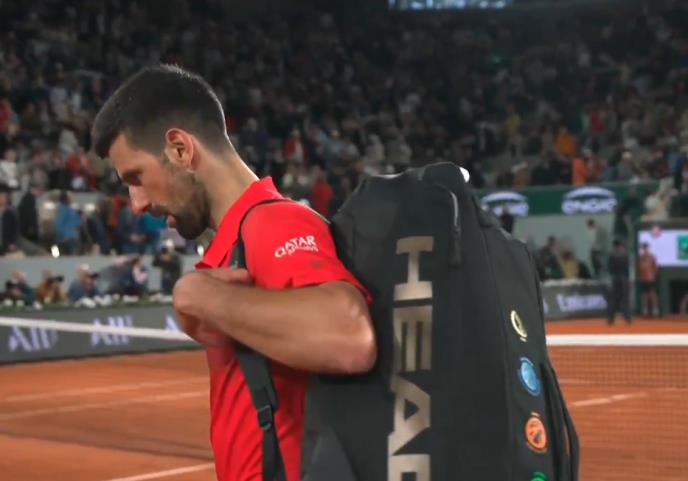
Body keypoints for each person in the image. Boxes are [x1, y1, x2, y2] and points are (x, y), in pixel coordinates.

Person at [91, 64, 375, 481]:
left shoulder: (273, 222)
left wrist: (201, 296)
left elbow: (350, 338)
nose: (136, 203)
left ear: (180, 149)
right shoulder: (236, 241)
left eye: (137, 177)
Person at [607, 239, 631, 325]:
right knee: (624, 298)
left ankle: (611, 318)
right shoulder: (625, 254)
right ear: (620, 245)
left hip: (615, 278)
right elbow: (627, 268)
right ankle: (627, 317)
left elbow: (609, 268)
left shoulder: (611, 255)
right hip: (623, 278)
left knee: (613, 298)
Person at [54, 190, 81, 255]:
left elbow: (76, 223)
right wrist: (64, 235)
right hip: (67, 239)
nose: (72, 198)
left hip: (72, 238)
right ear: (66, 198)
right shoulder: (62, 210)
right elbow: (58, 224)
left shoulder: (70, 209)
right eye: (70, 197)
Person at [637, 242, 660, 317]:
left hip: (651, 279)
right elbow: (639, 268)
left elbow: (655, 268)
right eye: (643, 248)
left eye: (645, 248)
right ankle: (645, 310)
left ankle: (655, 310)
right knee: (644, 295)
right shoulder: (640, 258)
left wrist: (653, 275)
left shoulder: (652, 257)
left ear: (648, 248)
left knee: (652, 294)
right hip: (642, 279)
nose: (644, 249)